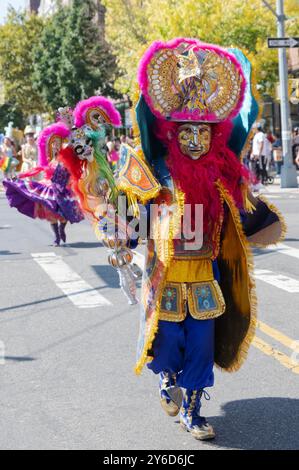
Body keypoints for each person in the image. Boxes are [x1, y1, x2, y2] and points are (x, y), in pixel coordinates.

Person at [100, 39, 285, 441]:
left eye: (203, 132)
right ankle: (166, 381)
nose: (195, 140)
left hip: (205, 278)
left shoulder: (221, 175)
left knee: (201, 349)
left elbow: (245, 121)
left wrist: (239, 67)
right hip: (166, 275)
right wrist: (120, 238)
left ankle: (193, 411)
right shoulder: (161, 172)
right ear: (173, 134)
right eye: (187, 132)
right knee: (167, 347)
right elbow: (137, 214)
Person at [2, 112, 84, 246]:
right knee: (50, 212)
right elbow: (36, 170)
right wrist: (19, 176)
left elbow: (75, 169)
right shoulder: (48, 161)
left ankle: (62, 230)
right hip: (49, 188)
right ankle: (56, 237)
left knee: (64, 215)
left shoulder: (67, 158)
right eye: (53, 144)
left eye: (58, 144)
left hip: (64, 190)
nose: (56, 146)